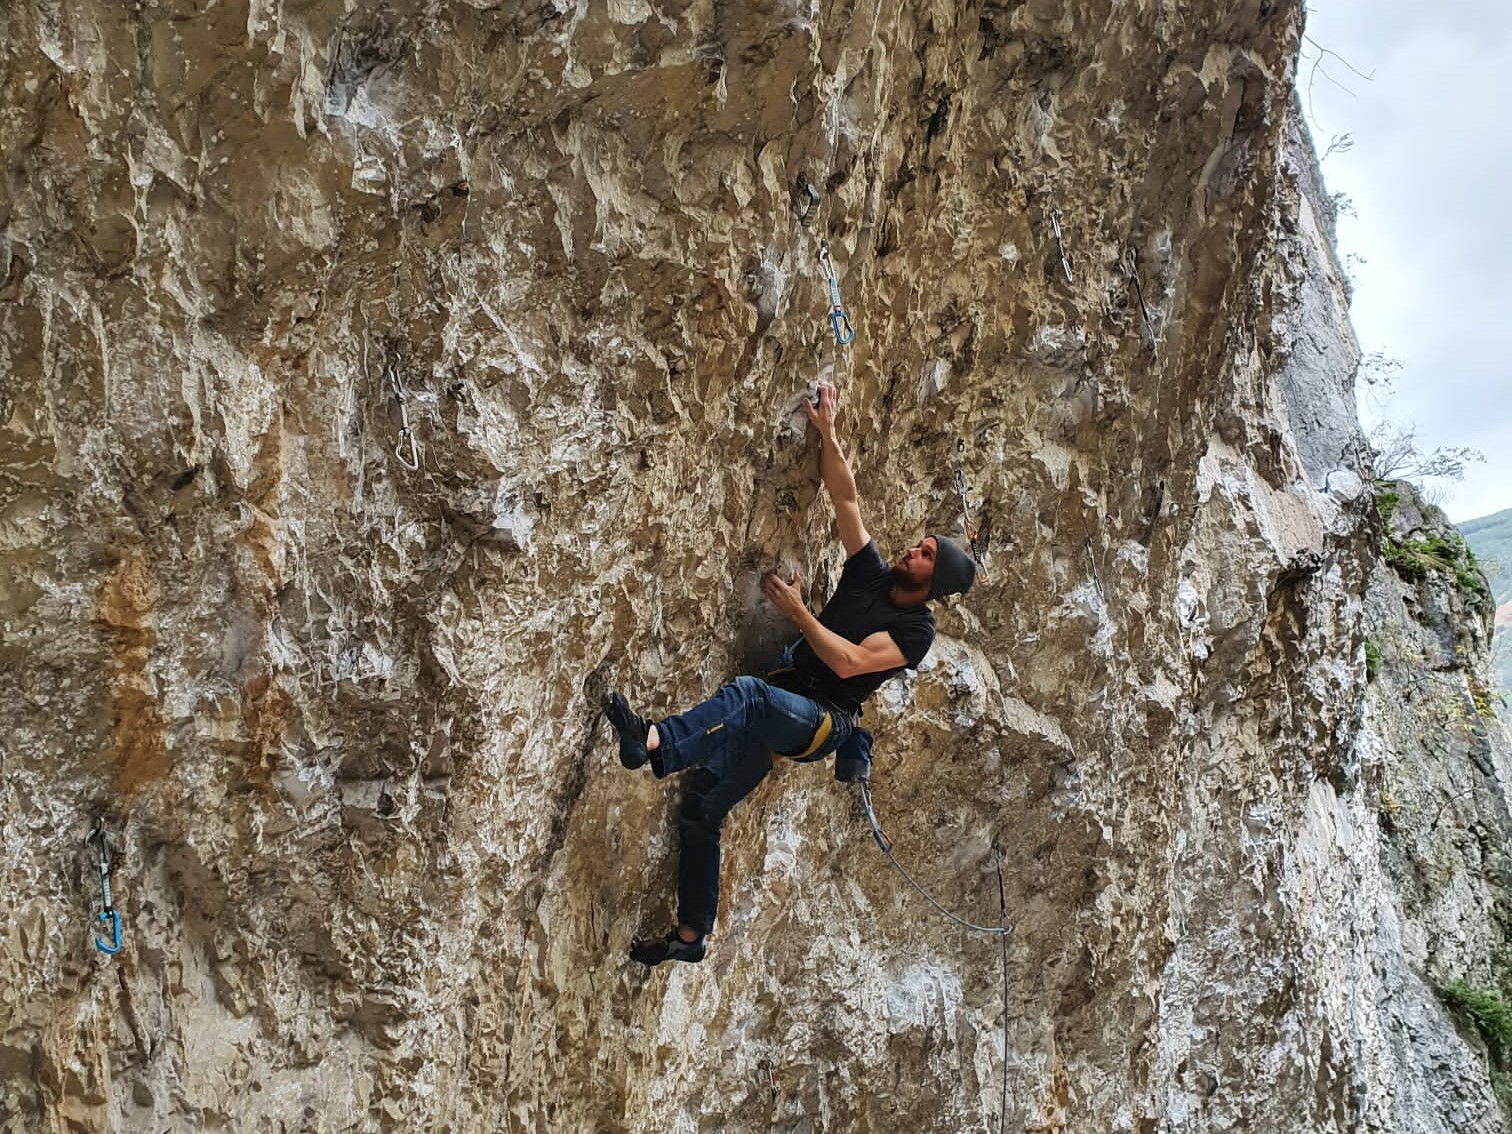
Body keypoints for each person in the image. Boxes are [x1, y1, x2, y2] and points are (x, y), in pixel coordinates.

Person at [603, 381, 977, 966]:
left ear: (933, 583)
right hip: (790, 693)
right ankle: (692, 934)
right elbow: (846, 500)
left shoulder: (916, 633)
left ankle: (653, 740)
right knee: (702, 805)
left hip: (821, 721)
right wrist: (829, 434)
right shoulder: (873, 574)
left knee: (748, 697)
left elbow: (851, 662)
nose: (912, 551)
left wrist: (798, 611)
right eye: (920, 545)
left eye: (925, 554)